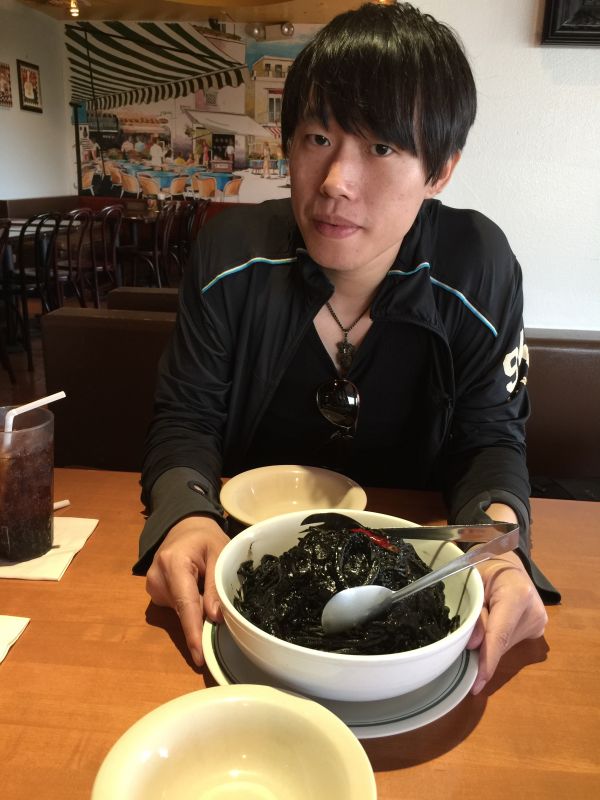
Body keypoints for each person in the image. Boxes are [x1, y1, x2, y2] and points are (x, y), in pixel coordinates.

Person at [134, 2, 559, 695]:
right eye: (317, 137)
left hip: (410, 597)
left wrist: (498, 549)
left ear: (441, 170)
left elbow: (490, 439)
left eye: (382, 148)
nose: (335, 181)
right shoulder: (231, 253)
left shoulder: (477, 264)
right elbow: (186, 419)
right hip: (248, 588)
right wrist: (184, 517)